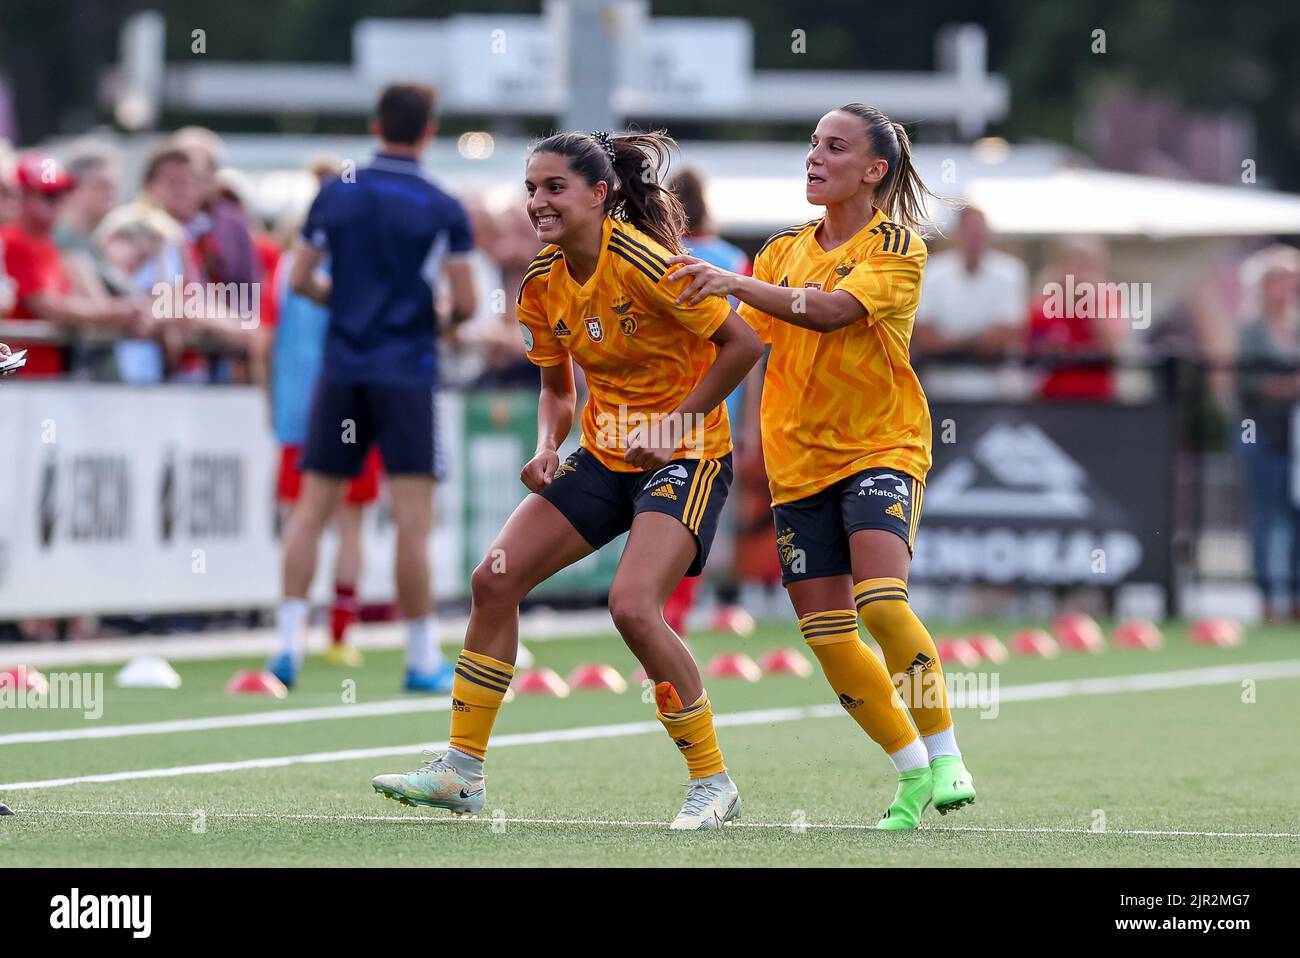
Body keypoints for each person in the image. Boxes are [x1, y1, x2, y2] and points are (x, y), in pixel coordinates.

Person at [370, 130, 763, 829]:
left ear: (599, 194)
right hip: (604, 455)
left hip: (687, 456)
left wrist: (673, 426)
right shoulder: (541, 281)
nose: (537, 202)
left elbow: (744, 344)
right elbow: (558, 390)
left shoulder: (645, 261)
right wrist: (549, 443)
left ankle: (714, 782)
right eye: (530, 189)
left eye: (553, 187)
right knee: (494, 578)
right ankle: (461, 772)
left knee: (633, 607)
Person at [665, 103, 977, 830]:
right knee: (829, 635)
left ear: (874, 171)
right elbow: (741, 342)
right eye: (811, 144)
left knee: (880, 600)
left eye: (834, 147)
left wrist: (731, 283)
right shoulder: (778, 251)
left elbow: (831, 312)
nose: (815, 156)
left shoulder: (897, 245)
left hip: (880, 446)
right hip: (796, 460)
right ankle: (910, 775)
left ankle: (949, 753)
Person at [271, 84, 477, 692]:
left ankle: (286, 650)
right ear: (429, 131)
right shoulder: (441, 204)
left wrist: (353, 307)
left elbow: (303, 279)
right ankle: (419, 658)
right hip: (405, 373)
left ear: (375, 123)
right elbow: (465, 303)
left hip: (343, 369)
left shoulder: (336, 191)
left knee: (311, 510)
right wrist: (430, 321)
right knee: (412, 517)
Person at [267, 158, 380, 669]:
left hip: (302, 407)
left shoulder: (289, 261)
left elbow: (272, 339)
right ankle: (338, 634)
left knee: (305, 519)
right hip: (348, 398)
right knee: (346, 522)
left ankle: (291, 640)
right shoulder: (366, 257)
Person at [662, 167, 755, 638]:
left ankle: (669, 614)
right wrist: (751, 422)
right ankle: (715, 601)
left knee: (661, 516)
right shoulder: (732, 259)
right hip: (722, 406)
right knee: (705, 517)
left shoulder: (658, 256)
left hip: (659, 406)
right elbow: (755, 344)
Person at [0, 153, 140, 377]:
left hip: (40, 371)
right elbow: (48, 306)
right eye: (49, 195)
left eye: (63, 193)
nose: (59, 202)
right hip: (19, 375)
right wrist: (123, 310)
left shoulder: (47, 243)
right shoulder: (14, 240)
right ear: (23, 196)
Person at [1235, 245, 1300, 621]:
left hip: (1295, 432)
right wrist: (1285, 385)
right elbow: (1246, 383)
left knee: (1295, 513)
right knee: (1265, 511)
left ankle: (1293, 595)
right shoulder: (1252, 331)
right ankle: (1266, 597)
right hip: (1260, 430)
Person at [913, 204, 1027, 397]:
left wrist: (951, 343)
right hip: (941, 385)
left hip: (996, 385)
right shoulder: (933, 272)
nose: (975, 238)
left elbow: (1008, 332)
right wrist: (977, 342)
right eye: (969, 232)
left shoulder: (1011, 271)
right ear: (958, 234)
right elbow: (923, 334)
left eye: (979, 232)